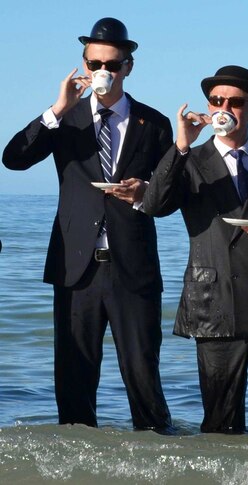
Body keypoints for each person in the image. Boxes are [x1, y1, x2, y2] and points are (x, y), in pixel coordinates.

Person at [2, 18, 172, 431]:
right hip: (76, 267)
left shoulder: (155, 123)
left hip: (133, 268)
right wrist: (56, 109)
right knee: (74, 385)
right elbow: (14, 158)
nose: (103, 72)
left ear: (128, 67)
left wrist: (144, 191)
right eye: (95, 62)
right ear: (83, 64)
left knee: (144, 382)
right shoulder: (67, 119)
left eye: (112, 65)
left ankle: (159, 464)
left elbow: (172, 196)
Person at [142, 65, 248, 434]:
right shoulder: (189, 160)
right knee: (220, 424)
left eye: (235, 101)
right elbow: (153, 205)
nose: (224, 107)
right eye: (216, 100)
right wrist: (181, 144)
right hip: (213, 305)